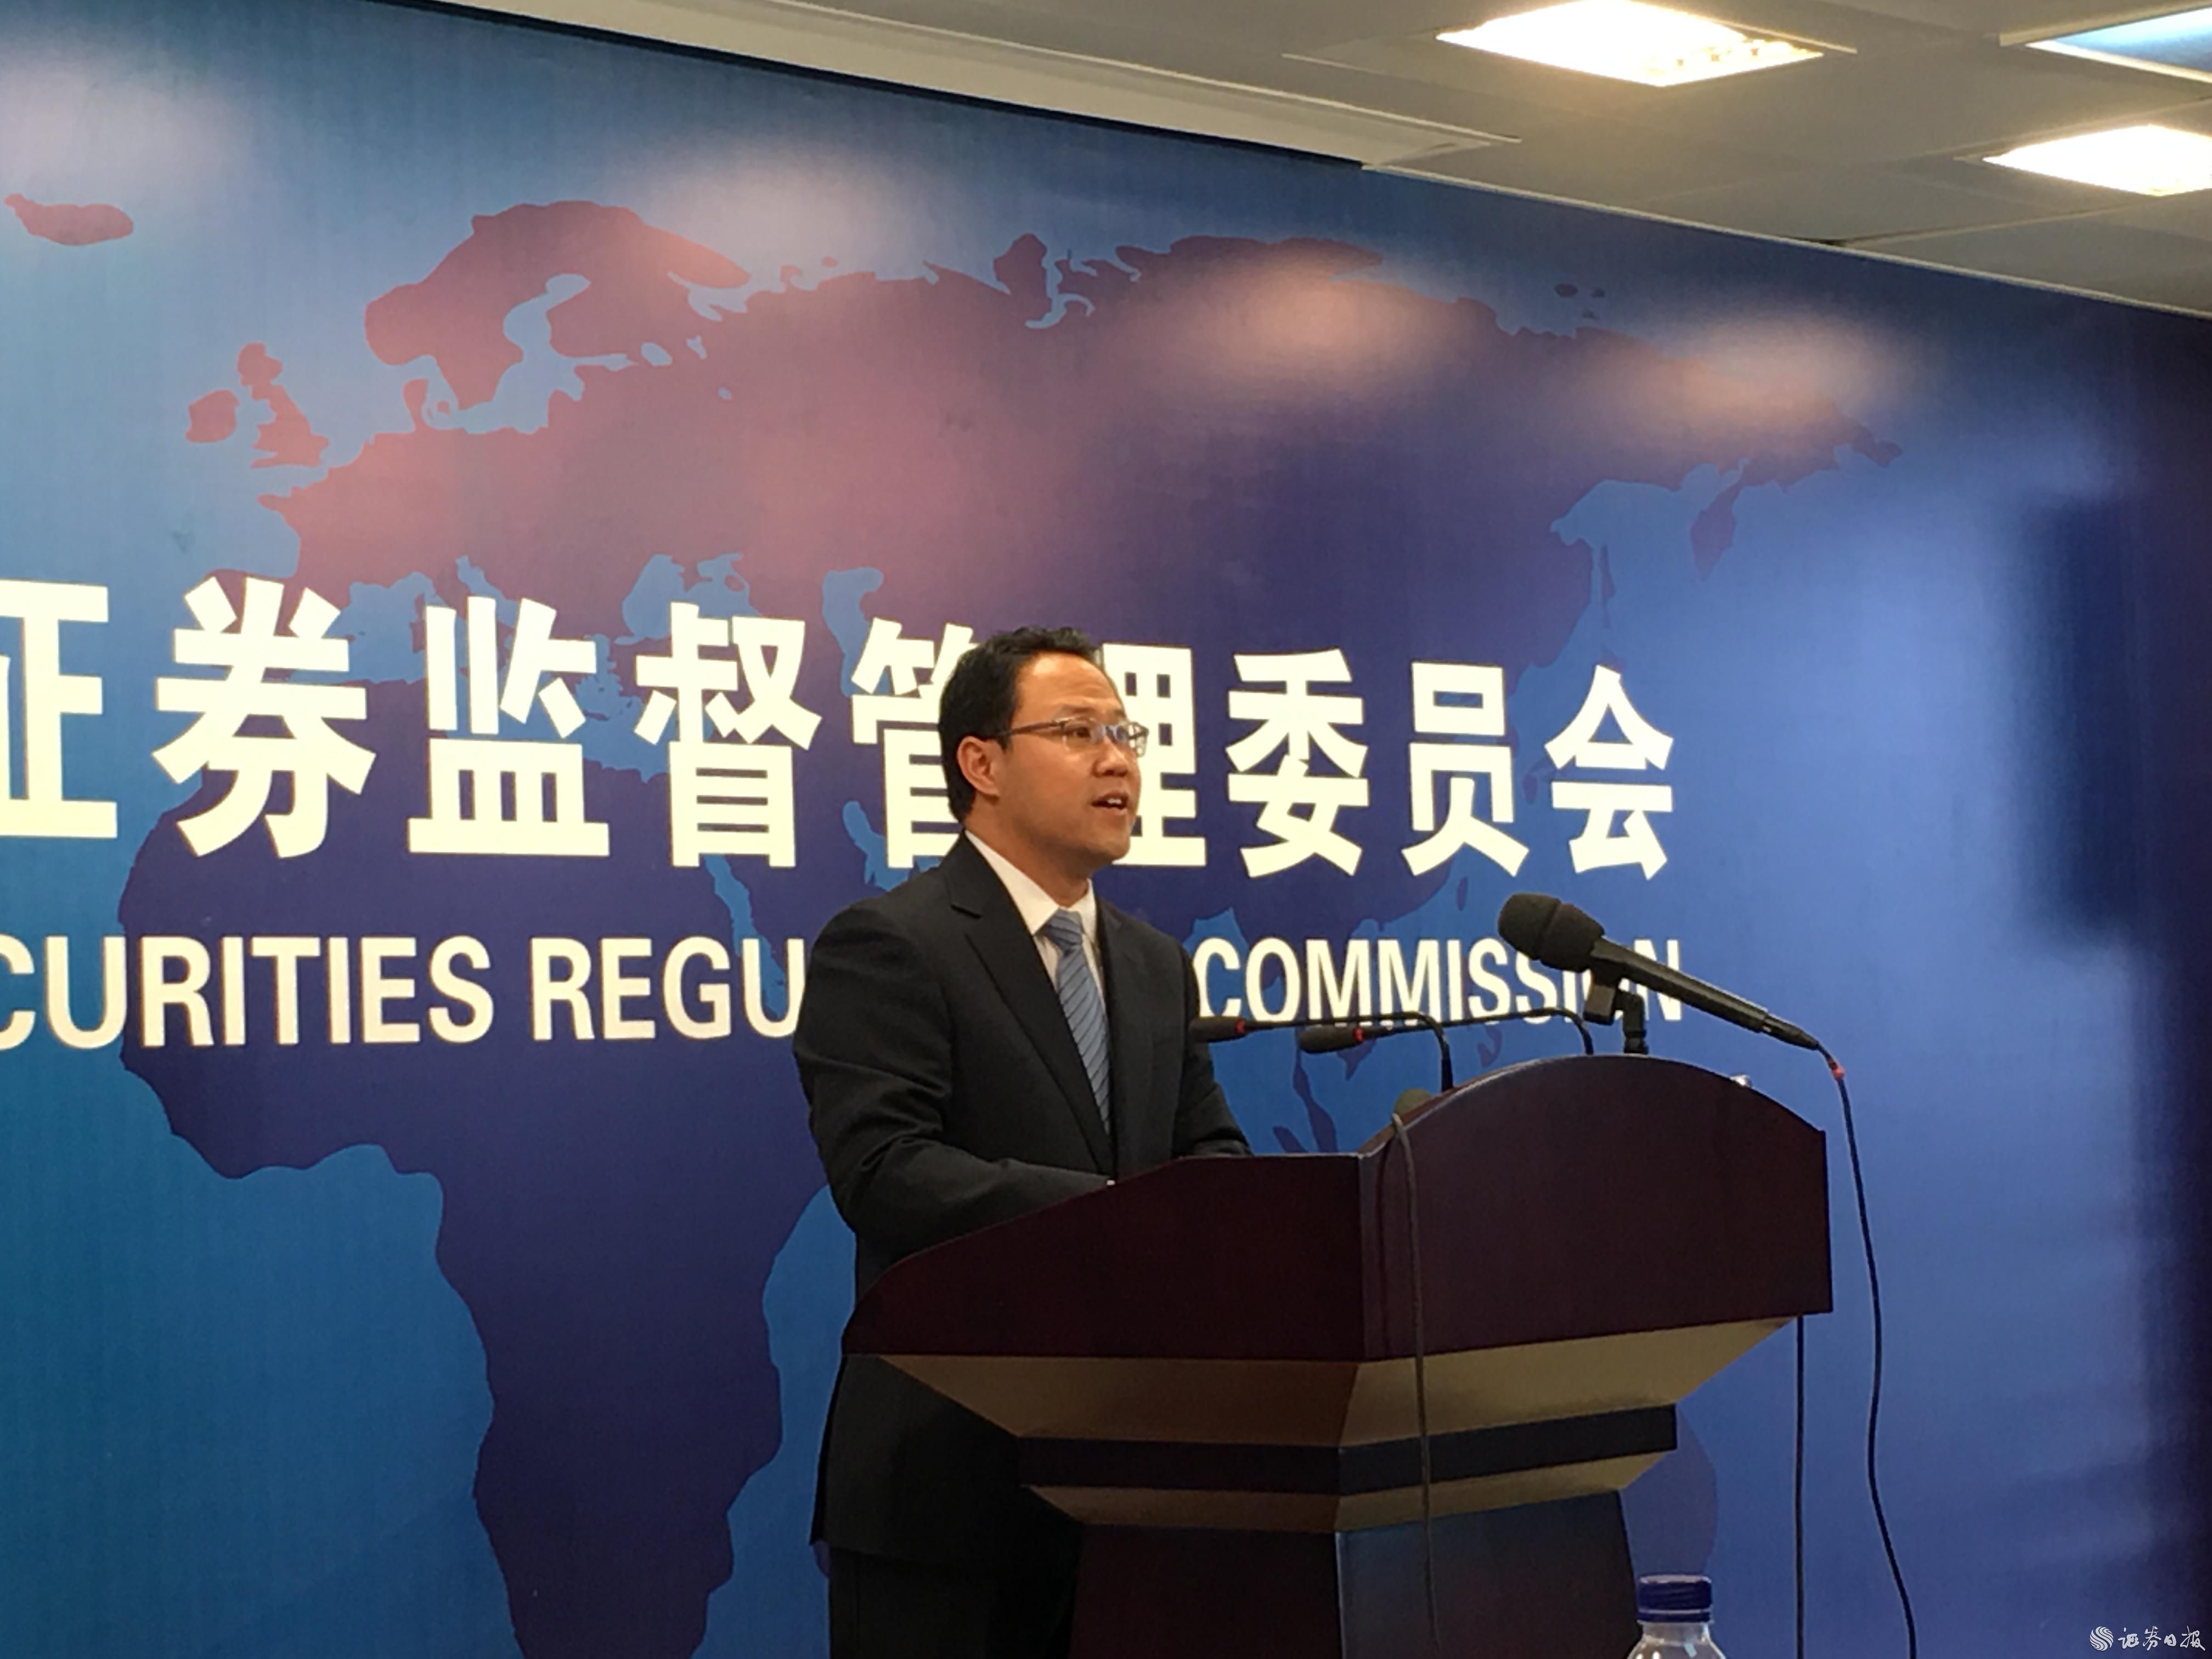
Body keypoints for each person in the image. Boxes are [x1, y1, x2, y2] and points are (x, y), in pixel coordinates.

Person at [793, 625, 1250, 1659]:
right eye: (1078, 732)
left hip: (1139, 1481)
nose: (1117, 761)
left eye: (1125, 733)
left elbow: (1208, 1151)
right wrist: (1114, 1217)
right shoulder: (893, 944)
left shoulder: (1153, 963)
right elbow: (885, 1170)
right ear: (982, 763)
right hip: (951, 1485)